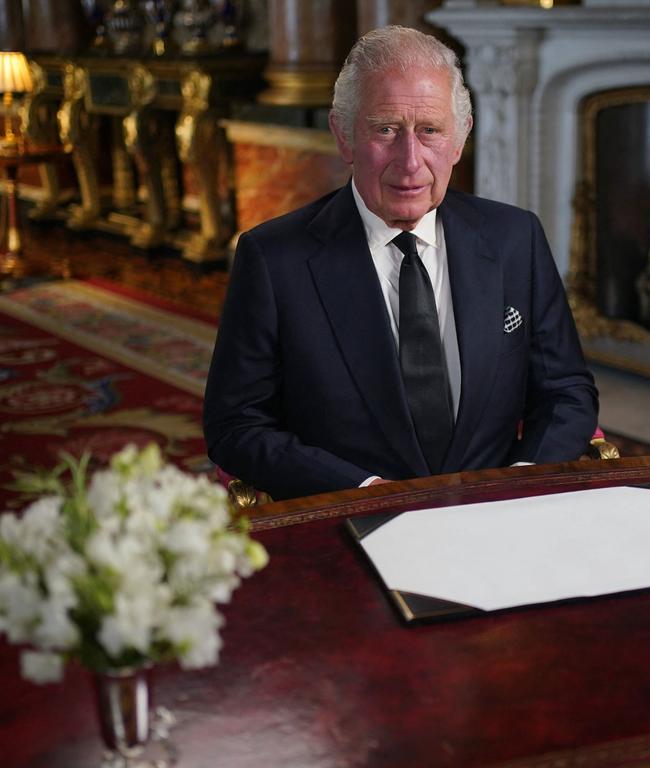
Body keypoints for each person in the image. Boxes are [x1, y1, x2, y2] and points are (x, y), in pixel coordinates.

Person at [203, 26, 599, 500]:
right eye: (385, 129)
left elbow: (566, 391)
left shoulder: (516, 239)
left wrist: (521, 480)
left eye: (430, 130)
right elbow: (236, 424)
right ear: (344, 136)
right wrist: (363, 491)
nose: (410, 161)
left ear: (460, 138)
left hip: (499, 518)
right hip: (350, 522)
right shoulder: (274, 259)